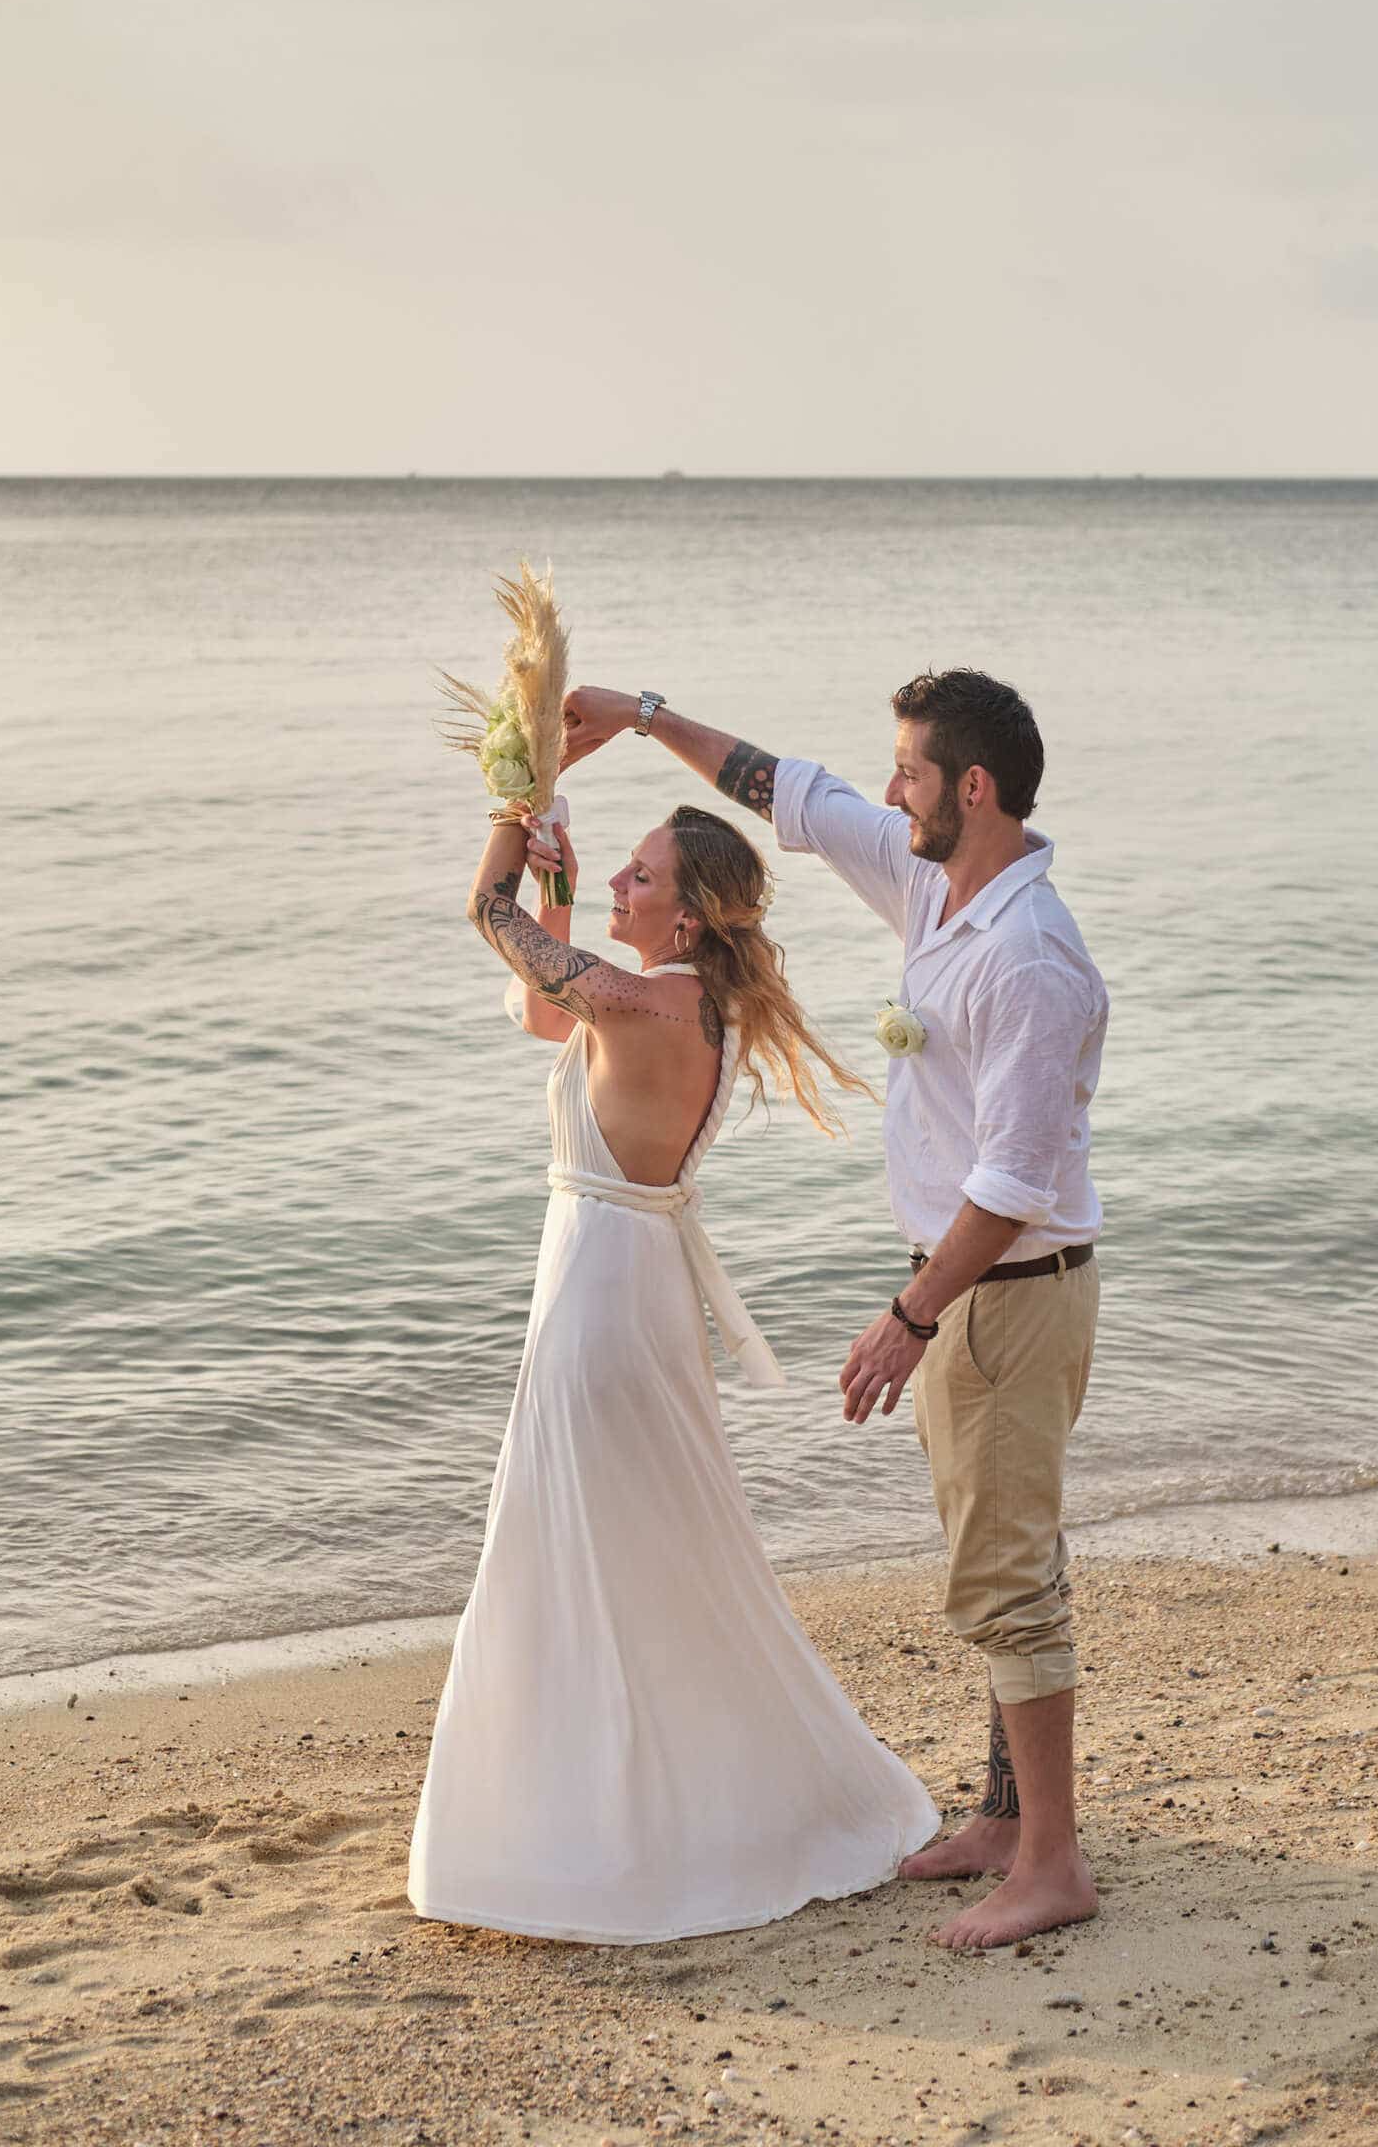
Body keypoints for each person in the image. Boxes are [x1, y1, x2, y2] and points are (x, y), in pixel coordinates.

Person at [561, 675, 1108, 1951]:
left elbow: (1014, 1184)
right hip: (972, 1290)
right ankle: (999, 1815)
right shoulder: (932, 880)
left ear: (971, 788)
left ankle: (1052, 1863)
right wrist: (644, 716)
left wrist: (908, 1317)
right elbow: (783, 791)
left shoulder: (1029, 958)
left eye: (909, 770)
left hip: (1003, 1294)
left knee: (1010, 1578)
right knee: (996, 1549)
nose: (890, 789)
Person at [408, 793, 939, 1944]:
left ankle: (597, 1830)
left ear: (690, 918)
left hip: (602, 1292)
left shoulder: (646, 996)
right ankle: (630, 1800)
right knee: (629, 1541)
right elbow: (543, 1016)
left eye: (639, 879)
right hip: (621, 1276)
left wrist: (510, 810)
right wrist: (562, 882)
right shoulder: (672, 1004)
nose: (619, 890)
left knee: (573, 1540)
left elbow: (481, 913)